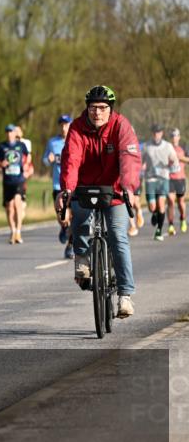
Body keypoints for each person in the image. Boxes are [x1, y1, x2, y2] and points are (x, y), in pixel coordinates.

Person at [57, 85, 141, 318]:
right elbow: (71, 159)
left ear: (110, 109)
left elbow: (129, 158)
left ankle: (125, 295)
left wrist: (128, 187)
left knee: (117, 235)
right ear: (87, 108)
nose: (97, 113)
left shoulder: (121, 126)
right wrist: (68, 189)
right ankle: (82, 259)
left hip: (115, 190)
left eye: (103, 108)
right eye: (93, 108)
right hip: (84, 188)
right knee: (80, 221)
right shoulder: (77, 127)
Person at [0, 124, 33, 244]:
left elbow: (28, 156)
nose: (9, 134)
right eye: (8, 132)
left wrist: (26, 167)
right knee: (10, 207)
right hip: (7, 180)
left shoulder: (21, 145)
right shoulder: (1, 146)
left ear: (15, 133)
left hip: (19, 179)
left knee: (17, 203)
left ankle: (18, 231)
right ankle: (13, 231)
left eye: (11, 132)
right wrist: (0, 164)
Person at [42, 114, 74, 258]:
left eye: (66, 124)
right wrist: (48, 160)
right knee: (63, 217)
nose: (63, 127)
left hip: (74, 185)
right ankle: (64, 228)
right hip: (58, 185)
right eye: (61, 125)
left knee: (74, 217)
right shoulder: (52, 142)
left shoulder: (76, 140)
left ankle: (70, 246)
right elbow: (45, 159)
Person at [141, 124, 178, 242]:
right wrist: (140, 170)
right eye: (155, 133)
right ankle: (154, 213)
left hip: (163, 179)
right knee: (152, 207)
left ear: (162, 133)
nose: (156, 135)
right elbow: (140, 161)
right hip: (150, 179)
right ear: (152, 134)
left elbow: (175, 160)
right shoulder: (146, 146)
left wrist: (172, 163)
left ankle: (159, 231)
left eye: (159, 133)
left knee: (161, 204)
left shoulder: (168, 146)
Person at [166, 128, 188, 235]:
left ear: (179, 137)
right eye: (172, 136)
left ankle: (183, 219)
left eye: (176, 135)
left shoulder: (184, 147)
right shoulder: (167, 148)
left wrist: (180, 157)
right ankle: (170, 225)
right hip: (169, 179)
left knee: (180, 202)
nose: (174, 138)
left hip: (180, 179)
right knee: (170, 201)